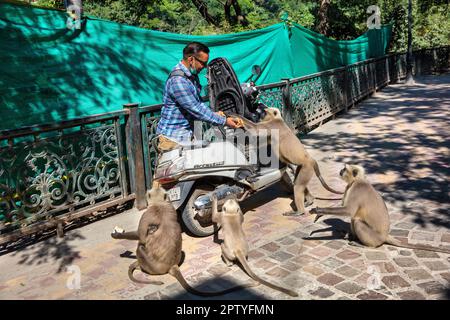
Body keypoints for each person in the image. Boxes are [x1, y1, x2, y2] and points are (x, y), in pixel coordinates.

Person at [156, 42, 239, 152]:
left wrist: (214, 114)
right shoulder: (178, 81)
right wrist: (224, 121)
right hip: (173, 139)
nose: (204, 67)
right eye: (203, 63)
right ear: (191, 60)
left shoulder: (191, 77)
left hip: (186, 135)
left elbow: (198, 103)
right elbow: (196, 109)